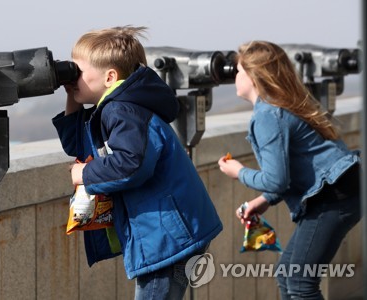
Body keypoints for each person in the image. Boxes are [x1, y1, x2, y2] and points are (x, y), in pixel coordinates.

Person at [52, 26, 223, 299]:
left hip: (165, 235)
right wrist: (72, 93)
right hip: (167, 231)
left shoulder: (121, 110)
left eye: (78, 72)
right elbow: (79, 144)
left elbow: (131, 164)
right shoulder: (119, 105)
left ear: (110, 77)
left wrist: (85, 173)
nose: (73, 77)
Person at [218, 40, 361, 300]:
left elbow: (276, 179)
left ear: (253, 76)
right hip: (341, 190)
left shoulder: (267, 115)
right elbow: (296, 167)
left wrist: (238, 171)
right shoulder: (284, 103)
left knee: (300, 281)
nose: (235, 77)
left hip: (333, 198)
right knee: (287, 274)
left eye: (238, 71)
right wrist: (264, 200)